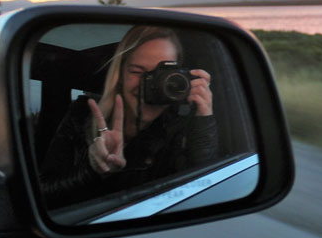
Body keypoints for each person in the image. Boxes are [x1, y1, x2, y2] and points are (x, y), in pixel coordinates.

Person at [40, 25, 218, 209]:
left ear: (181, 80)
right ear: (120, 77)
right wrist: (92, 169)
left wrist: (204, 119)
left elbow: (203, 194)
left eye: (162, 74)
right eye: (137, 72)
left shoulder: (181, 133)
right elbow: (43, 193)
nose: (148, 84)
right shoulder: (82, 116)